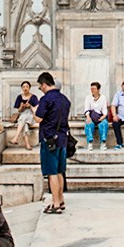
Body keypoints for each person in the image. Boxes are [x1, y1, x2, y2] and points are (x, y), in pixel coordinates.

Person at [35, 72, 71, 214]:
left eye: (40, 87)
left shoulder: (46, 99)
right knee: (60, 171)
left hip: (49, 138)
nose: (41, 89)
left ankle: (55, 203)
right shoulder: (65, 99)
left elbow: (38, 118)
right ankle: (60, 200)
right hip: (62, 139)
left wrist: (34, 110)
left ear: (44, 84)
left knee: (51, 173)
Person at [7, 80, 38, 148]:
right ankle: (27, 145)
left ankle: (16, 137)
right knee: (24, 124)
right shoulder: (19, 97)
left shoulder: (34, 97)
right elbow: (19, 111)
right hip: (23, 116)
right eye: (23, 87)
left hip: (31, 116)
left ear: (29, 87)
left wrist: (30, 106)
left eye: (27, 86)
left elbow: (36, 110)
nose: (25, 88)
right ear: (22, 88)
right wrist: (21, 106)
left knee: (23, 118)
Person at [83, 82, 110, 151]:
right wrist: (88, 117)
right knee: (88, 123)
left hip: (100, 116)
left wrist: (103, 117)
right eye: (91, 89)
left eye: (94, 89)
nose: (92, 90)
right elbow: (87, 109)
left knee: (104, 124)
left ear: (98, 89)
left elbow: (104, 110)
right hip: (91, 116)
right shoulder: (88, 98)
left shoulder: (103, 98)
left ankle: (103, 142)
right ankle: (90, 142)